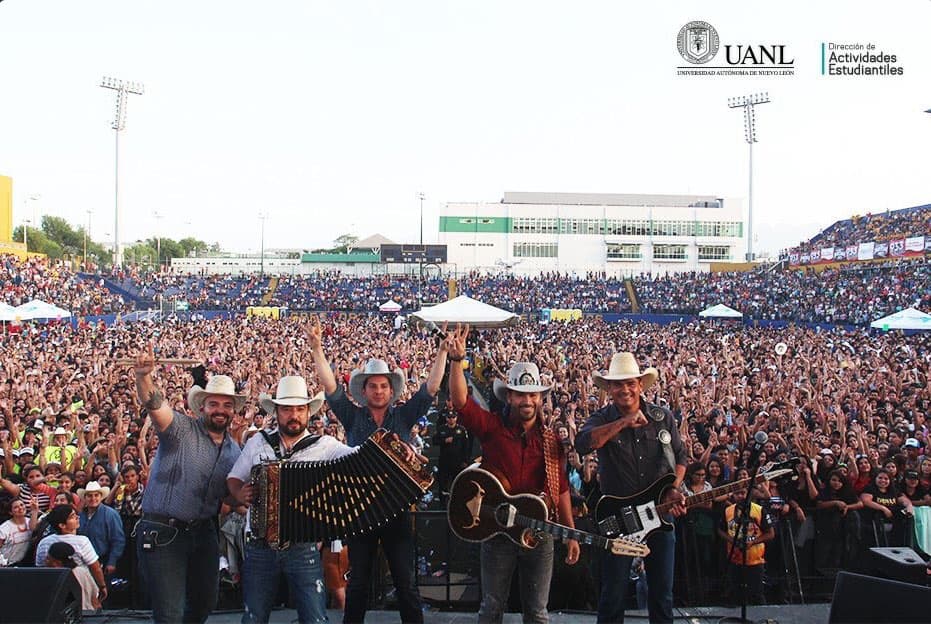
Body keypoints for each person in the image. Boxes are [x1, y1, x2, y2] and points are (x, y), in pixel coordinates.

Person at [309, 316, 448, 624]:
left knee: (405, 582)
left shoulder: (403, 416)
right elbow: (331, 389)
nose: (379, 390)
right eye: (373, 385)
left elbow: (430, 388)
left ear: (390, 389)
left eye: (384, 385)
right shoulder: (353, 416)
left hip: (396, 509)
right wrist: (317, 348)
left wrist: (441, 353)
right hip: (361, 510)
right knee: (357, 581)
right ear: (365, 388)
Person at [446, 324, 580, 624]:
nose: (528, 401)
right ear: (509, 397)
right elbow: (461, 403)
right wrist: (456, 362)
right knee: (492, 609)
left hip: (539, 532)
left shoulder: (551, 441)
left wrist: (571, 533)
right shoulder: (493, 428)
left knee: (537, 613)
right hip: (497, 532)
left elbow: (561, 491)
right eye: (521, 395)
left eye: (533, 396)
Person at [227, 375, 356, 624]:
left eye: (299, 409)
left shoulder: (325, 446)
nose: (293, 415)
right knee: (254, 618)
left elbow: (358, 457)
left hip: (303, 546)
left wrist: (392, 446)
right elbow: (233, 478)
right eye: (287, 409)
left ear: (309, 411)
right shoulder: (258, 443)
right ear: (276, 411)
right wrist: (239, 493)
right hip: (260, 545)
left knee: (315, 617)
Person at [132, 347, 244, 623]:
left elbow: (230, 499)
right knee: (169, 613)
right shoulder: (181, 429)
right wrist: (144, 377)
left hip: (204, 533)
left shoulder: (235, 451)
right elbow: (155, 405)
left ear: (234, 411)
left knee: (205, 604)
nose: (220, 410)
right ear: (202, 407)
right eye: (214, 404)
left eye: (227, 405)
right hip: (163, 532)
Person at [575, 352, 687, 624]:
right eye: (618, 384)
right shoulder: (602, 418)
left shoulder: (662, 417)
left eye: (630, 383)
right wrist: (624, 422)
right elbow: (583, 443)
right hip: (620, 517)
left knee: (662, 593)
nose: (625, 389)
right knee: (613, 593)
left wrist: (673, 488)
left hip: (659, 515)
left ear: (640, 384)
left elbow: (680, 457)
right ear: (610, 389)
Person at [35, 504, 109, 608]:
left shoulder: (44, 542)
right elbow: (95, 567)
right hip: (79, 588)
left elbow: (39, 569)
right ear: (62, 525)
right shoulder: (82, 541)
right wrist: (102, 586)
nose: (77, 518)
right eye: (72, 517)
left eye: (76, 515)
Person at [718, 486, 775, 605]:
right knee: (735, 595)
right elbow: (720, 530)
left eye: (743, 493)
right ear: (733, 495)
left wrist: (753, 542)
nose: (741, 496)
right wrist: (731, 540)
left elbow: (770, 534)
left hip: (755, 560)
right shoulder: (728, 510)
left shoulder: (759, 510)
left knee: (757, 594)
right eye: (737, 493)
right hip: (734, 559)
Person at [77, 480, 125, 589]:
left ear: (101, 496)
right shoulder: (80, 515)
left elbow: (118, 540)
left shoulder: (110, 514)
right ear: (85, 498)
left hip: (102, 560)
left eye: (96, 495)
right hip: (82, 562)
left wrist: (112, 561)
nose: (93, 498)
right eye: (89, 496)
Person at [432, 403, 472, 503]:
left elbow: (466, 446)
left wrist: (465, 460)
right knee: (443, 482)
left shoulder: (461, 430)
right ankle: (442, 501)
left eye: (453, 417)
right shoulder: (442, 429)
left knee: (457, 482)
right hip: (444, 460)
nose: (451, 419)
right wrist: (444, 441)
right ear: (446, 418)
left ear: (456, 418)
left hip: (457, 461)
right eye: (449, 417)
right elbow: (434, 441)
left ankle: (457, 501)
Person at [0, 497, 39, 566]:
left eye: (22, 505)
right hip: (7, 564)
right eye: (16, 507)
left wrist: (35, 510)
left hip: (25, 563)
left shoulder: (29, 521)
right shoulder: (4, 528)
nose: (20, 508)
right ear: (10, 512)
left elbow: (33, 528)